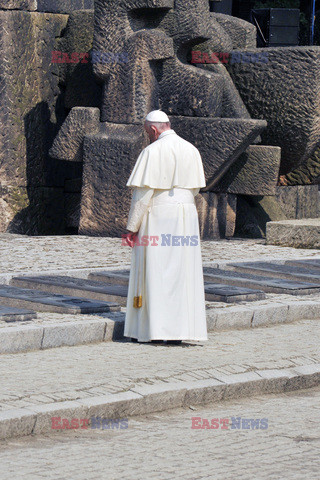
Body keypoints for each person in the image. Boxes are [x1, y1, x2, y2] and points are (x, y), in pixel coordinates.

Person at [123, 110, 208, 344]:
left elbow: (143, 194)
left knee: (157, 271)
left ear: (153, 129)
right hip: (187, 214)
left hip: (160, 215)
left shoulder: (152, 151)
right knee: (183, 273)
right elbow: (195, 190)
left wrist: (132, 227)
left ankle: (156, 331)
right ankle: (180, 332)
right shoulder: (191, 149)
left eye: (146, 132)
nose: (147, 136)